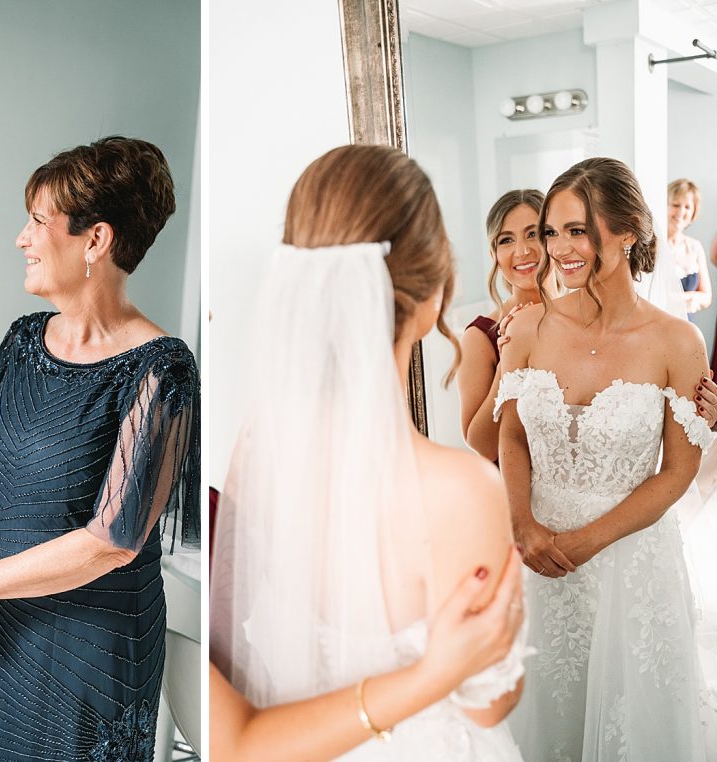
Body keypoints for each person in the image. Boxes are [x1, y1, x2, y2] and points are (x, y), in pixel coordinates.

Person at [209, 145, 527, 761]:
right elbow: (486, 701)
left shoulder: (259, 446)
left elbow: (230, 642)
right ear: (435, 293)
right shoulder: (462, 489)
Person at [0, 136, 200, 761]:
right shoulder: (22, 342)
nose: (22, 238)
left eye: (38, 222)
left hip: (92, 649)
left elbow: (113, 540)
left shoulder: (161, 369)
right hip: (9, 632)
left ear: (94, 240)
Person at [497, 157, 716, 760]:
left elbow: (679, 471)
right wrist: (522, 524)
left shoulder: (677, 341)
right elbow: (510, 437)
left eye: (577, 229)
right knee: (545, 720)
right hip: (536, 554)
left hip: (632, 562)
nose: (559, 248)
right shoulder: (527, 328)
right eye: (552, 230)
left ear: (625, 231)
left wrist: (591, 540)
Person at [458, 190, 554, 461]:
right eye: (506, 240)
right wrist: (507, 367)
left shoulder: (586, 317)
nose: (522, 251)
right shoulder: (480, 336)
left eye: (533, 234)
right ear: (494, 254)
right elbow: (482, 445)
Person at [668, 179, 711, 321]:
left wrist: (687, 298)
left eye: (687, 207)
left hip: (688, 328)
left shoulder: (695, 247)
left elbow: (706, 296)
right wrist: (687, 299)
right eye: (675, 205)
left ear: (694, 212)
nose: (681, 212)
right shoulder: (652, 246)